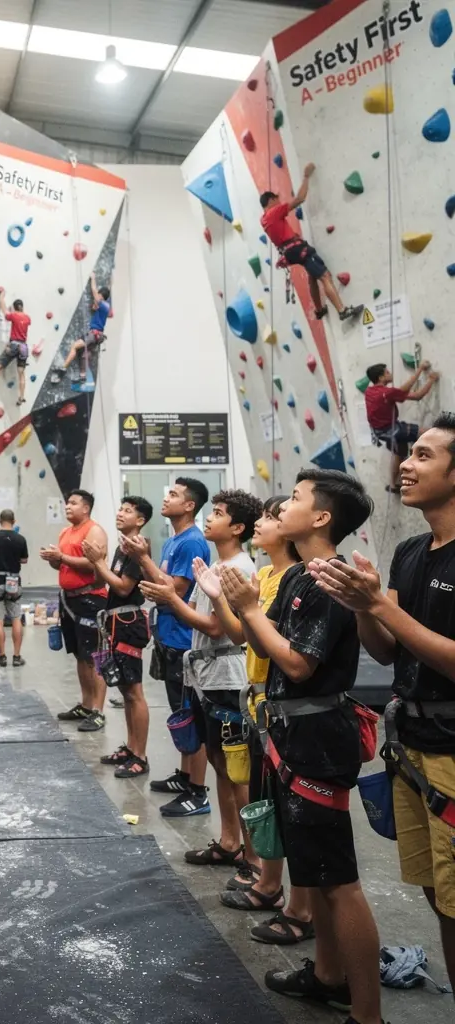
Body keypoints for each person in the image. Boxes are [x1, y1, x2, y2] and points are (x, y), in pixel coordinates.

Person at [219, 469, 379, 1024]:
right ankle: (330, 976)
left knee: (339, 882)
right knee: (315, 873)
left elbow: (296, 661)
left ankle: (367, 1013)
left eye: (294, 499)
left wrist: (247, 609)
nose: (282, 505)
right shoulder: (295, 578)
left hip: (316, 739)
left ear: (320, 518)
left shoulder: (327, 580)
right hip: (291, 731)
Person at [310, 414, 455, 995]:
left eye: (422, 454)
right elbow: (386, 648)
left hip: (451, 753)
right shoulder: (412, 550)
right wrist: (363, 604)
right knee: (437, 896)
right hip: (413, 750)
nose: (406, 465)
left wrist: (379, 604)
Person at [194, 497, 313, 945]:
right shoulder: (263, 575)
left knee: (293, 808)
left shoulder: (298, 578)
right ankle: (268, 881)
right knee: (268, 798)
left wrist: (245, 608)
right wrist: (220, 600)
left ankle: (296, 903)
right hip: (260, 702)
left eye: (271, 516)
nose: (264, 523)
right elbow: (244, 635)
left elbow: (275, 647)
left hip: (286, 707)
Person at [141, 490, 261, 856]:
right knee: (219, 763)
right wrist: (170, 597)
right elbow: (192, 612)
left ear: (238, 527)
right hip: (205, 676)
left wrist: (169, 598)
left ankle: (253, 856)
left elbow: (214, 627)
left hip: (227, 678)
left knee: (236, 768)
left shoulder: (239, 569)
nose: (210, 518)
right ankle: (229, 842)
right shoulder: (212, 567)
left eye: (220, 514)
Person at [122, 477, 211, 816]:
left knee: (191, 717)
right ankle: (186, 775)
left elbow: (170, 588)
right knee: (180, 712)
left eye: (173, 494)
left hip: (183, 639)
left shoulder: (191, 543)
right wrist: (149, 567)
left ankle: (197, 791)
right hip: (168, 637)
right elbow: (154, 584)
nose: (166, 497)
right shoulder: (174, 540)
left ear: (189, 505)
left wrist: (143, 559)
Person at [83, 496, 153, 777]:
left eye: (128, 511)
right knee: (125, 690)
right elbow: (106, 581)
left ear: (140, 520)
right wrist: (97, 562)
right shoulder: (122, 548)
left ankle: (141, 755)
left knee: (134, 692)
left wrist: (97, 562)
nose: (120, 513)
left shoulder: (137, 549)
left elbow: (124, 588)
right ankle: (131, 747)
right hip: (115, 621)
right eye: (120, 509)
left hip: (128, 622)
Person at [41, 489, 109, 733]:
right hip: (70, 601)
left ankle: (98, 711)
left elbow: (95, 563)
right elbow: (62, 563)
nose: (67, 506)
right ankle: (86, 704)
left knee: (95, 657)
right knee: (80, 656)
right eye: (66, 503)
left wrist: (62, 557)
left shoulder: (94, 530)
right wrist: (53, 559)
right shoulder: (65, 531)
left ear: (86, 508)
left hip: (91, 600)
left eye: (73, 503)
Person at [260, 164, 361, 322]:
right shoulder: (273, 213)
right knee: (325, 276)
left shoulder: (264, 220)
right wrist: (306, 177)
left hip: (290, 252)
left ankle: (320, 310)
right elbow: (300, 199)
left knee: (312, 275)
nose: (280, 203)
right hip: (297, 248)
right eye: (277, 200)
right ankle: (342, 310)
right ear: (271, 200)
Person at [364, 361, 439, 493]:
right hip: (391, 429)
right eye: (387, 372)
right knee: (429, 434)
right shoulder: (385, 393)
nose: (390, 373)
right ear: (381, 378)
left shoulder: (370, 392)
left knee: (400, 452)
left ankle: (393, 485)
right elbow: (416, 395)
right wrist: (429, 378)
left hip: (380, 431)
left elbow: (408, 394)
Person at [0, 509, 29, 667]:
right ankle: (16, 656)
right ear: (14, 521)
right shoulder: (20, 539)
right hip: (13, 580)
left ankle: (2, 656)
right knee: (16, 618)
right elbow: (24, 560)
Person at [57, 272, 110, 380]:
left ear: (101, 296)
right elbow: (95, 309)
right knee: (83, 354)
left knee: (75, 346)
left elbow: (94, 292)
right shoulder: (105, 307)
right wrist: (95, 306)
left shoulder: (103, 304)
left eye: (98, 296)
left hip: (93, 334)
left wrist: (93, 279)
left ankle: (63, 368)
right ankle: (82, 377)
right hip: (96, 337)